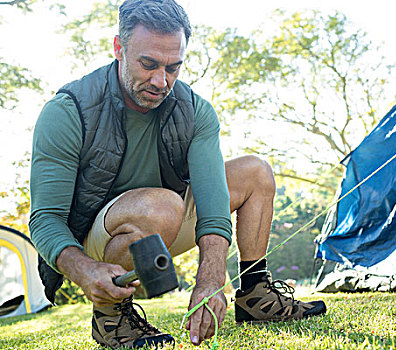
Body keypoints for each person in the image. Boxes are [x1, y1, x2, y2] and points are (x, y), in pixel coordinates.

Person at [29, 0, 326, 348]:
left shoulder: (195, 111)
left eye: (173, 67)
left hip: (165, 217)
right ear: (118, 48)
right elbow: (45, 219)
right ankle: (112, 319)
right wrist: (83, 269)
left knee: (255, 172)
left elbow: (213, 206)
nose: (161, 81)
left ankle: (255, 295)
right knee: (162, 206)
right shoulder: (68, 110)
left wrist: (211, 277)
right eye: (149, 64)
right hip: (95, 239)